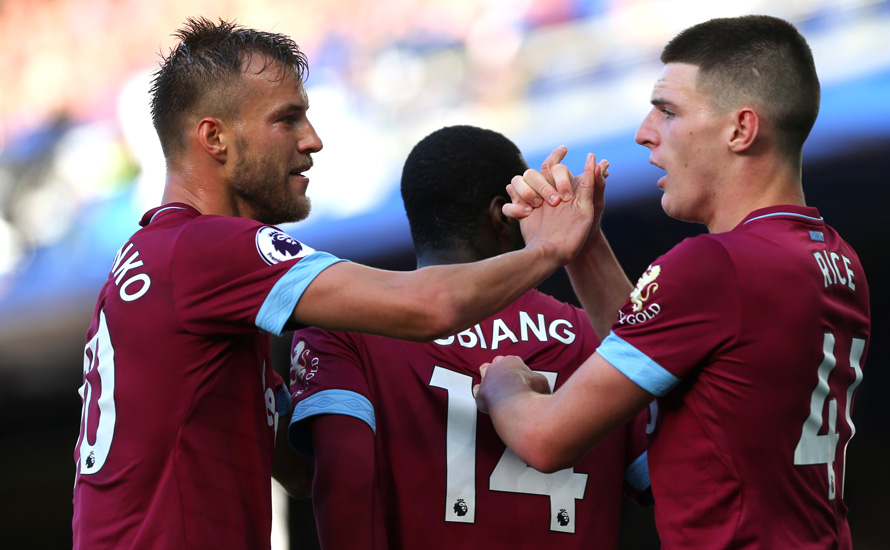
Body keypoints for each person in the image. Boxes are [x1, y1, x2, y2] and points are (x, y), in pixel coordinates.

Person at [71, 18, 594, 550]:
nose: (312, 140)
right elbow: (431, 306)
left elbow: (299, 471)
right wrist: (549, 248)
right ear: (215, 138)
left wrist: (388, 398)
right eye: (287, 119)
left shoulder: (153, 266)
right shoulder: (207, 249)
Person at [475, 15, 871, 549]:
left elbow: (545, 440)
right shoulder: (838, 259)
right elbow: (664, 348)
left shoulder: (714, 266)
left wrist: (504, 387)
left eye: (667, 111)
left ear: (740, 129)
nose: (644, 132)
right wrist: (582, 245)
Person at [286, 125, 651, 549]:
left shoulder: (345, 331)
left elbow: (346, 496)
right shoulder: (599, 338)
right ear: (502, 215)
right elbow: (669, 484)